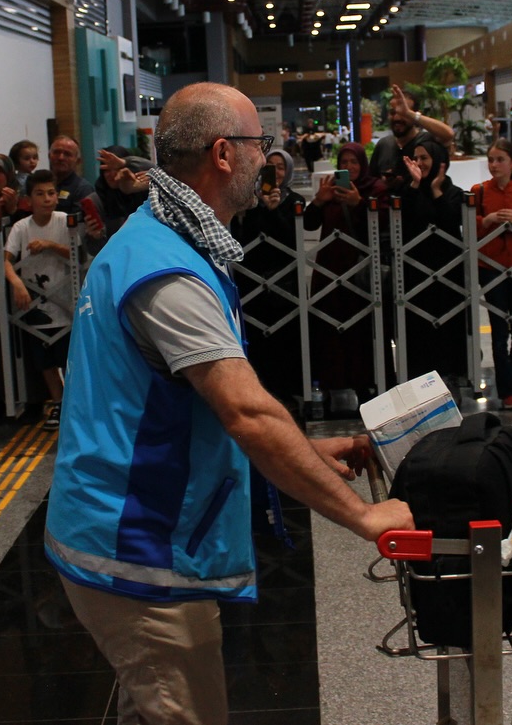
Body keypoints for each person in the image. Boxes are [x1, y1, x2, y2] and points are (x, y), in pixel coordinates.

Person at [44, 82, 411, 724]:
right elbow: (246, 413)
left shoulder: (156, 236)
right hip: (138, 552)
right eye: (257, 145)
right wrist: (365, 517)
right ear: (222, 153)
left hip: (119, 530)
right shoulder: (168, 272)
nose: (264, 157)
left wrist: (310, 453)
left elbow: (176, 406)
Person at [305, 142, 387, 399]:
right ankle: (333, 387)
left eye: (354, 162)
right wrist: (319, 201)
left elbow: (383, 224)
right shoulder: (331, 189)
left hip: (361, 273)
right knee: (330, 328)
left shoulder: (375, 189)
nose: (349, 167)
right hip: (330, 272)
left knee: (362, 330)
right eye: (344, 162)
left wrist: (359, 203)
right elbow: (308, 223)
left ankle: (367, 386)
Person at [230, 149, 306, 404]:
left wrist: (274, 210)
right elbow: (244, 240)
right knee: (257, 340)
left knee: (285, 340)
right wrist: (254, 207)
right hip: (252, 282)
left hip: (284, 283)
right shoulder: (249, 200)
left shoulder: (294, 200)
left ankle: (287, 394)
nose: (275, 172)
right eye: (269, 167)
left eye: (280, 167)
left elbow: (293, 242)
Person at [390, 132, 465, 386]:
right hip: (414, 272)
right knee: (417, 329)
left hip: (447, 273)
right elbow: (404, 219)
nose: (420, 162)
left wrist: (435, 191)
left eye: (425, 157)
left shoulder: (453, 191)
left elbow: (451, 220)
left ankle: (450, 376)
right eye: (416, 158)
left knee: (447, 327)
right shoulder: (406, 190)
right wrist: (414, 185)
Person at [5, 169, 76, 432]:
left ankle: (73, 403)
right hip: (35, 303)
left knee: (67, 355)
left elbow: (78, 255)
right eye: (40, 194)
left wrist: (49, 245)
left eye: (51, 193)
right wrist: (17, 283)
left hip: (66, 301)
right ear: (28, 200)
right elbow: (6, 261)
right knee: (45, 359)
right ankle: (57, 401)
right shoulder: (21, 227)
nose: (47, 198)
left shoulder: (65, 221)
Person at [473, 138, 512, 408]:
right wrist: (483, 221)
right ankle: (507, 389)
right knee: (499, 332)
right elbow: (467, 227)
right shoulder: (480, 192)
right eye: (491, 160)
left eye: (500, 160)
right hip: (490, 267)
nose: (494, 165)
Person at [370, 83, 455, 178]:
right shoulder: (384, 144)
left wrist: (410, 114)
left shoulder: (428, 141)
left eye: (403, 113)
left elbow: (449, 134)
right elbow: (373, 179)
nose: (397, 118)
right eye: (393, 112)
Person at [80, 145, 152, 255]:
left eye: (116, 168)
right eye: (106, 170)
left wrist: (125, 163)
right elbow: (94, 251)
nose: (111, 175)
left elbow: (163, 173)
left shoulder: (143, 192)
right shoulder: (98, 200)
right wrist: (95, 237)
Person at [49, 135, 96, 214]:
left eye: (67, 154)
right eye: (56, 152)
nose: (61, 158)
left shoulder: (83, 189)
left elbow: (79, 224)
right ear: (49, 156)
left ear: (78, 161)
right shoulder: (40, 184)